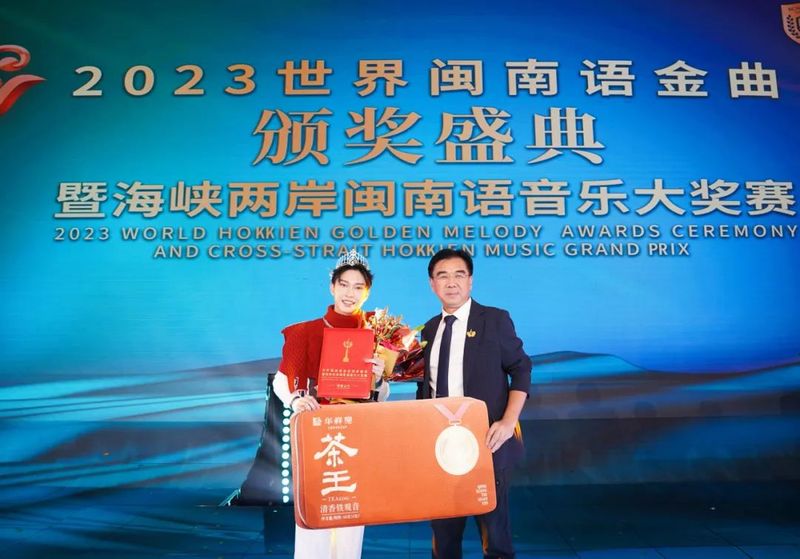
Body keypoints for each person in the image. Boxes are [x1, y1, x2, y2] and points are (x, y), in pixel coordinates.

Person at [272, 249, 388, 559]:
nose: (350, 293)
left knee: (352, 515)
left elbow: (380, 394)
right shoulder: (306, 332)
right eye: (344, 285)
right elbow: (281, 382)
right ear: (332, 287)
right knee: (315, 516)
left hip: (356, 434)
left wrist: (378, 379)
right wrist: (297, 399)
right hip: (317, 433)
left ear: (367, 292)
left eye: (358, 287)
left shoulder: (376, 335)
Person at [417, 248, 531, 559]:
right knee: (444, 536)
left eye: (459, 275)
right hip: (440, 445)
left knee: (495, 537)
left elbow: (521, 369)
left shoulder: (494, 320)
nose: (451, 282)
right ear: (432, 284)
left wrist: (508, 422)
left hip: (486, 441)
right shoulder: (428, 329)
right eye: (442, 276)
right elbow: (425, 387)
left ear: (470, 281)